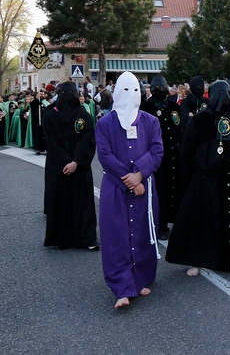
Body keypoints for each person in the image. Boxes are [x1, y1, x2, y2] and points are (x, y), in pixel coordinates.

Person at [167, 80, 230, 279]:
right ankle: (198, 260)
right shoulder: (200, 120)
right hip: (206, 179)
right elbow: (187, 152)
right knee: (203, 220)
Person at [95, 71, 164, 309]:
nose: (130, 95)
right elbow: (105, 155)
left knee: (143, 231)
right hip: (116, 187)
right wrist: (130, 179)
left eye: (134, 90)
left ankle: (141, 278)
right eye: (125, 90)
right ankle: (121, 288)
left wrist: (140, 175)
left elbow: (156, 151)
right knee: (117, 236)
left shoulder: (150, 121)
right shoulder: (104, 123)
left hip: (144, 188)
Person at [43, 82, 98, 250]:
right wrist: (74, 162)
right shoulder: (52, 114)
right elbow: (52, 141)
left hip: (66, 167)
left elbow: (87, 140)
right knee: (74, 203)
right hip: (69, 167)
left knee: (74, 203)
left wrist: (74, 162)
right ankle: (77, 239)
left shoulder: (83, 115)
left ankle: (72, 238)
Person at [140, 74, 182, 240]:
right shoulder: (145, 107)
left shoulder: (173, 107)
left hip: (173, 155)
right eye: (158, 87)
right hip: (155, 158)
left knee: (174, 190)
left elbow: (180, 129)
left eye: (163, 87)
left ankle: (172, 222)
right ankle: (159, 224)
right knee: (159, 192)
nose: (161, 89)